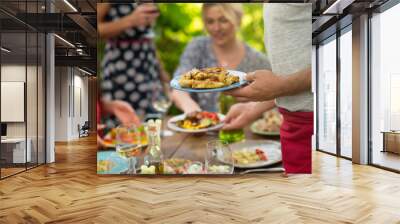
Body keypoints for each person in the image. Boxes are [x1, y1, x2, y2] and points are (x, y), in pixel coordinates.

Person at [224, 3, 313, 174]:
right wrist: (254, 108)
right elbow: (295, 66)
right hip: (293, 128)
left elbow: (349, 53)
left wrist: (281, 86)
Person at [171, 3, 271, 114]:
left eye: (223, 20)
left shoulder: (258, 60)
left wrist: (254, 105)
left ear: (238, 20)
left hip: (242, 129)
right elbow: (178, 86)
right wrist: (192, 109)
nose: (216, 28)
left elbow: (274, 98)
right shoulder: (197, 47)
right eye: (210, 21)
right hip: (201, 126)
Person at [98, 3, 169, 118]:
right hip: (121, 71)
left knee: (153, 119)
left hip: (149, 67)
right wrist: (130, 20)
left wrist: (161, 71)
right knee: (125, 121)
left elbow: (147, 37)